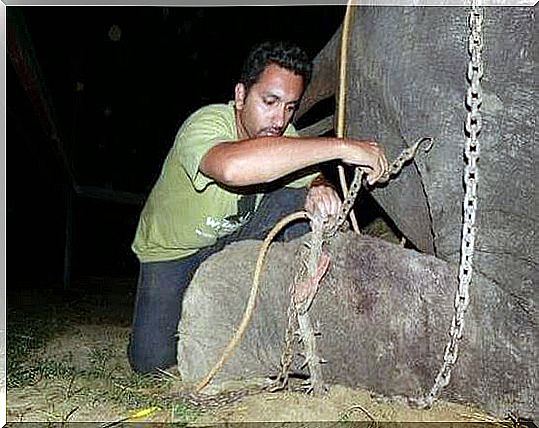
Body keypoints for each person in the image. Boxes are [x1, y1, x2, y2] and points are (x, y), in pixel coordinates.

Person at [128, 40, 388, 374]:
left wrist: (320, 186)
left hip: (233, 234)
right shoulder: (205, 125)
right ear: (240, 96)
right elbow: (230, 170)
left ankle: (305, 305)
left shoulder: (283, 131)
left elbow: (307, 173)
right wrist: (341, 147)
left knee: (303, 202)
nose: (279, 119)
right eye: (270, 101)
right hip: (173, 251)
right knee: (151, 362)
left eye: (290, 107)